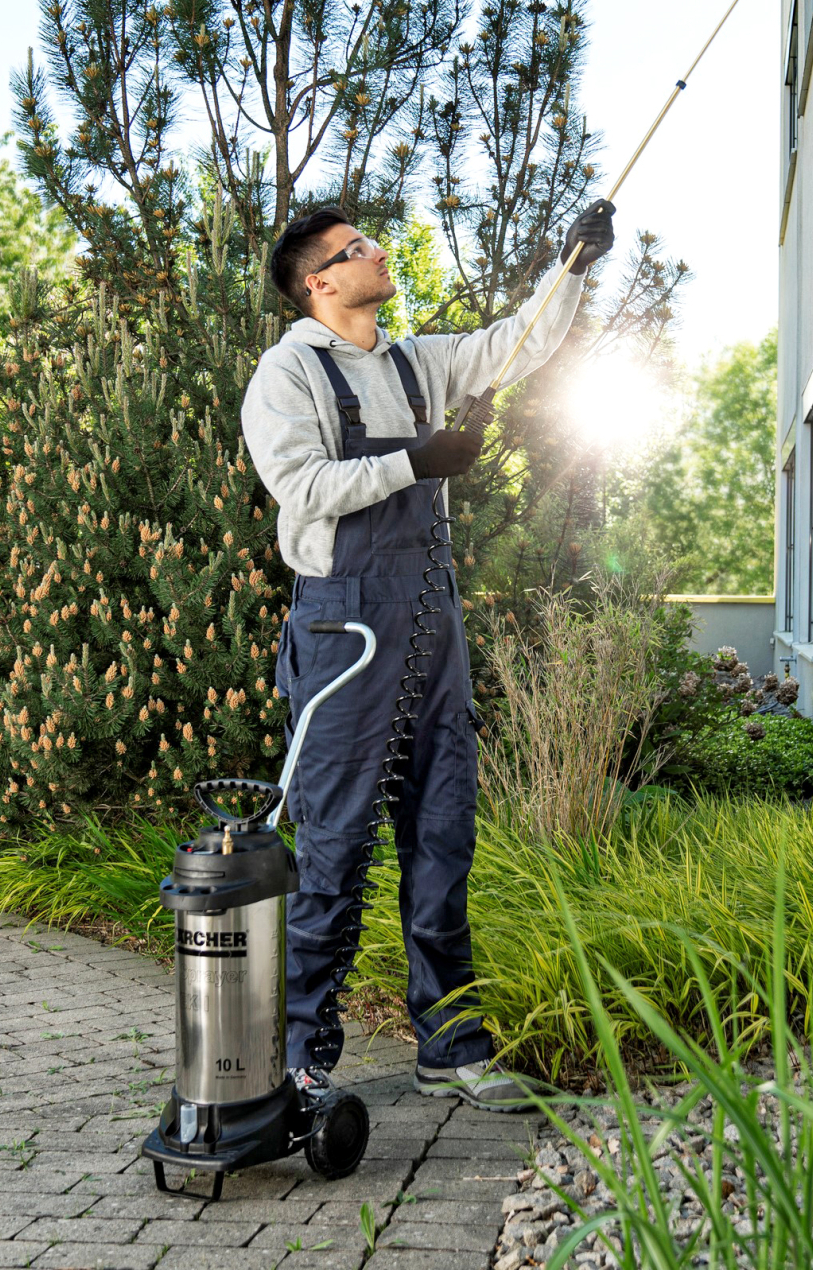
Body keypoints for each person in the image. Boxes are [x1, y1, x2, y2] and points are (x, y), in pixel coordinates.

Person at [240, 200, 615, 1110]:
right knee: (333, 844)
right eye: (354, 248)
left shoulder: (413, 362)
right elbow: (301, 486)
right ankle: (298, 1058)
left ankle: (449, 1045)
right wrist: (417, 460)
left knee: (442, 835)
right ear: (318, 282)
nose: (374, 251)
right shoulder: (287, 375)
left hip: (430, 626)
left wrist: (572, 265)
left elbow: (514, 343)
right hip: (346, 630)